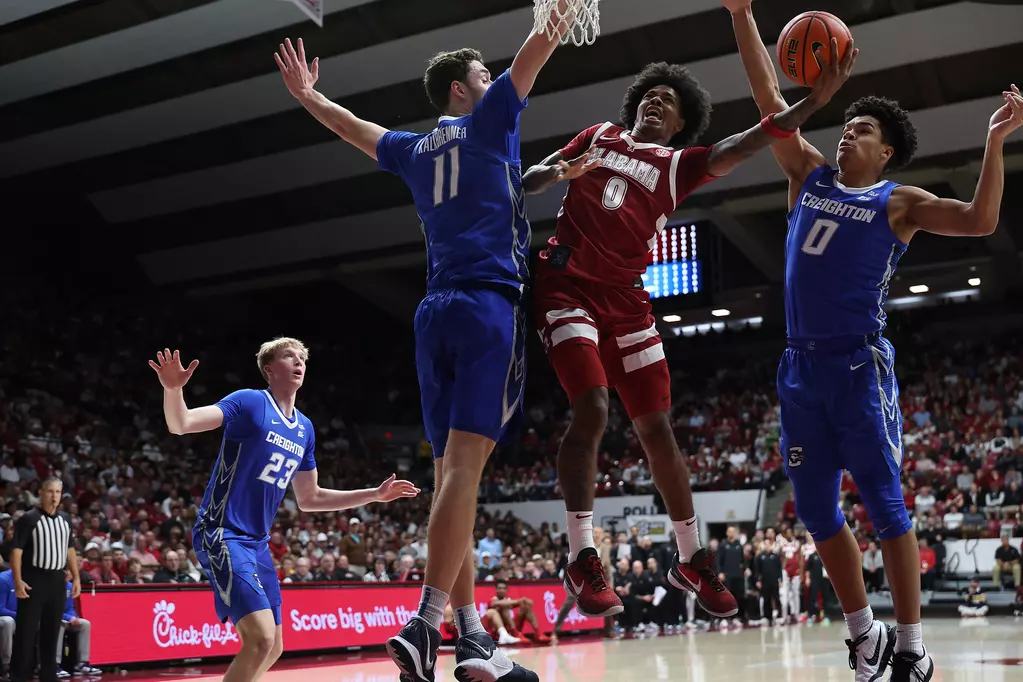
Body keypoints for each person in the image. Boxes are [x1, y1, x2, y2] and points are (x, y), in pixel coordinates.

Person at [275, 4, 576, 681]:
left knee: (450, 482)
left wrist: (306, 94)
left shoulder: (412, 150)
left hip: (432, 311)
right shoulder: (493, 118)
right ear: (461, 92)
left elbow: (349, 126)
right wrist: (559, 11)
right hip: (484, 306)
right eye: (482, 72)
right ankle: (426, 622)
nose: (493, 75)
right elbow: (538, 47)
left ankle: (472, 640)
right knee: (463, 476)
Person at [724, 0, 1023, 678]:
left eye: (858, 131)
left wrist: (994, 141)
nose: (843, 136)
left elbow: (979, 220)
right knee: (812, 509)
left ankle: (911, 648)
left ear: (883, 150)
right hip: (799, 369)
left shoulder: (897, 201)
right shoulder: (806, 175)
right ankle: (864, 636)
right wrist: (740, 12)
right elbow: (769, 97)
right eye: (844, 127)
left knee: (886, 507)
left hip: (857, 367)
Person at [521, 44, 854, 621]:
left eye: (669, 101)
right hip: (565, 282)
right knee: (594, 409)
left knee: (657, 430)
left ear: (682, 123)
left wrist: (811, 103)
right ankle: (580, 555)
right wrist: (557, 171)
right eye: (651, 93)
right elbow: (527, 183)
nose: (656, 100)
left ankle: (692, 557)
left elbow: (752, 138)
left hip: (626, 300)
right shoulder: (598, 134)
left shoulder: (679, 166)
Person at [149, 341, 419, 682]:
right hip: (222, 531)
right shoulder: (249, 401)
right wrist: (173, 390)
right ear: (269, 369)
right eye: (290, 356)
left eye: (303, 358)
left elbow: (311, 498)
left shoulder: (304, 428)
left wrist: (375, 495)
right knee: (260, 639)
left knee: (274, 645)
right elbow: (181, 423)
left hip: (257, 544)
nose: (299, 362)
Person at [8, 478, 79, 682]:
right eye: (50, 491)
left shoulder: (66, 519)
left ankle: (49, 674)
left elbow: (70, 549)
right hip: (34, 578)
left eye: (58, 492)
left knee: (52, 629)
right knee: (26, 631)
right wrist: (18, 580)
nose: (54, 496)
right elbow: (17, 551)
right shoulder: (29, 518)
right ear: (41, 493)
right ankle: (19, 676)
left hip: (57, 579)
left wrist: (75, 577)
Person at [57, 570, 101, 677]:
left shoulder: (70, 586)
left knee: (85, 624)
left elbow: (70, 607)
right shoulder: (50, 586)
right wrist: (68, 617)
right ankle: (55, 664)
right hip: (53, 618)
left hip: (67, 618)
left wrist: (74, 617)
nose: (69, 573)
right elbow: (51, 609)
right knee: (59, 624)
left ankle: (82, 663)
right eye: (67, 571)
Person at [0, 569, 14, 680]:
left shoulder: (32, 578)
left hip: (18, 616)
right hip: (3, 616)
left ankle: (41, 665)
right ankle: (6, 664)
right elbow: (0, 609)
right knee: (8, 622)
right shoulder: (3, 579)